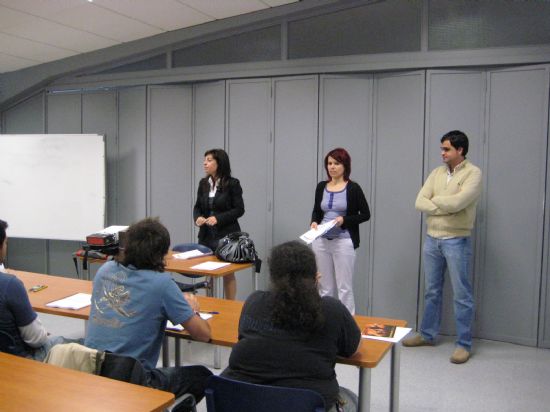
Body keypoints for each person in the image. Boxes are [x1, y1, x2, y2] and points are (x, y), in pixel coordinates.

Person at [85, 217, 212, 410]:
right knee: (203, 376)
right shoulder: (161, 284)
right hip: (131, 379)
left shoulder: (105, 270)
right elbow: (203, 334)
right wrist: (194, 309)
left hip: (91, 371)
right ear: (160, 255)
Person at [222, 241, 361, 412]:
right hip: (306, 403)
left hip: (244, 401)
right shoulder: (331, 310)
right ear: (316, 276)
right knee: (352, 400)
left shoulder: (254, 302)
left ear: (272, 276)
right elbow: (353, 348)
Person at [403, 130, 482, 364]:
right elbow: (419, 201)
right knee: (432, 291)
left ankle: (464, 344)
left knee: (461, 294)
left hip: (457, 240)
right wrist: (446, 206)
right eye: (442, 149)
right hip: (432, 239)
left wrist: (435, 202)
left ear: (460, 150)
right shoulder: (436, 173)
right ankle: (427, 335)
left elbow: (460, 202)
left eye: (446, 149)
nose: (442, 153)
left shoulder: (473, 173)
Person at [0, 219, 76, 360]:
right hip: (18, 362)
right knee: (74, 345)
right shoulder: (10, 285)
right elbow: (37, 340)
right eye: (5, 243)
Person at [310, 148, 370, 314]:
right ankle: (325, 323)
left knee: (344, 288)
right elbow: (316, 210)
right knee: (324, 287)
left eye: (336, 163)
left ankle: (347, 326)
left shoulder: (353, 188)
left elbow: (366, 214)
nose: (332, 167)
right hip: (321, 241)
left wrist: (345, 220)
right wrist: (314, 222)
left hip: (343, 241)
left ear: (345, 165)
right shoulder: (321, 186)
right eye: (329, 163)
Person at [193, 148, 244, 300]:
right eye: (204, 160)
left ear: (219, 163)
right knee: (208, 272)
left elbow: (239, 210)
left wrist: (219, 218)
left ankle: (230, 305)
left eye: (209, 160)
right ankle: (211, 304)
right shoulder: (203, 183)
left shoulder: (232, 184)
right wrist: (198, 218)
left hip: (226, 235)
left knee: (227, 273)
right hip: (207, 235)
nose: (205, 163)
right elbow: (197, 207)